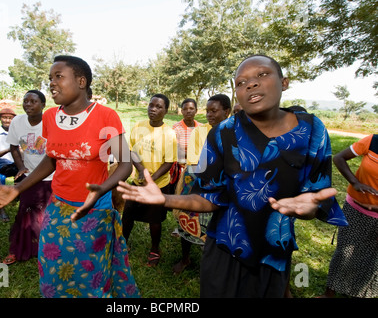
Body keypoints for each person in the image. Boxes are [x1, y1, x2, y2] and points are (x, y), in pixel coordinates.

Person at [117, 54, 347, 298]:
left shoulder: (311, 130)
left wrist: (309, 207)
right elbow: (210, 197)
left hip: (274, 253)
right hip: (223, 249)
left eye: (262, 74)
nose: (251, 84)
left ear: (284, 82)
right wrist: (166, 200)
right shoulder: (224, 133)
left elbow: (315, 199)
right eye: (241, 82)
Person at [0, 55, 139, 298]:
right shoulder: (51, 117)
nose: (52, 83)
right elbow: (52, 158)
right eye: (50, 78)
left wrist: (101, 190)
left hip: (94, 209)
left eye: (59, 77)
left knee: (90, 271)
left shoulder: (105, 116)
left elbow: (125, 164)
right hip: (59, 206)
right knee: (52, 267)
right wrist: (18, 188)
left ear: (81, 81)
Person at [172, 94, 231, 274]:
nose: (209, 115)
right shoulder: (200, 131)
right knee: (188, 221)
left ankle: (214, 263)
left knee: (218, 226)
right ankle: (185, 258)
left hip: (224, 189)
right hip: (196, 184)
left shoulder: (234, 133)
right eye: (207, 111)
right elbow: (195, 161)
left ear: (227, 112)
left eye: (214, 111)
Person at [122, 94, 177, 267]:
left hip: (158, 185)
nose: (153, 109)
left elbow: (169, 162)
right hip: (138, 181)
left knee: (155, 220)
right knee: (128, 214)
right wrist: (140, 170)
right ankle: (123, 244)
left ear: (166, 110)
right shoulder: (138, 126)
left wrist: (151, 179)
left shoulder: (169, 134)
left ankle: (155, 249)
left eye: (158, 106)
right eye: (151, 105)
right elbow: (131, 151)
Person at [321, 134, 378, 298]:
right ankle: (329, 293)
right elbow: (339, 157)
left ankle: (359, 293)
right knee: (345, 252)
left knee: (372, 258)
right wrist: (355, 182)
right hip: (356, 209)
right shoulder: (372, 141)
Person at [1, 91, 53, 265]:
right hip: (29, 176)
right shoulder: (17, 122)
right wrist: (21, 166)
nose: (28, 104)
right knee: (25, 213)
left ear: (43, 105)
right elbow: (14, 147)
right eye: (25, 101)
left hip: (52, 176)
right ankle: (18, 249)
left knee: (47, 215)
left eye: (33, 101)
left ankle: (47, 251)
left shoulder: (51, 122)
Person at [170, 98, 201, 189]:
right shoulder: (176, 128)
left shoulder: (201, 127)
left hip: (197, 166)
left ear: (196, 111)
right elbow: (176, 149)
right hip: (180, 166)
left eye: (191, 109)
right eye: (185, 109)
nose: (188, 111)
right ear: (182, 111)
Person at [0, 108, 18, 183]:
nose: (7, 121)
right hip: (2, 165)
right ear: (0, 119)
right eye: (4, 118)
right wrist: (9, 150)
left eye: (10, 118)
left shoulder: (17, 133)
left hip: (16, 164)